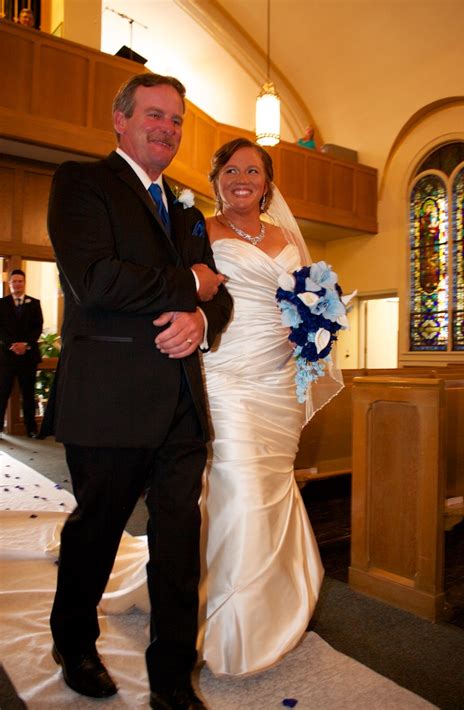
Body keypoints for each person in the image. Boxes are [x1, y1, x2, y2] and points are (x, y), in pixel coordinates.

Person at [41, 72, 232, 710]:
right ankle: (73, 642)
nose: (167, 128)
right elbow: (95, 280)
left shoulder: (188, 211)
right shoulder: (81, 183)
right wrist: (190, 287)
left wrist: (203, 319)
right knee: (96, 533)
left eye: (176, 120)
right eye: (154, 114)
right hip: (110, 401)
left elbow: (220, 295)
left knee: (178, 547)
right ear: (120, 120)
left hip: (181, 404)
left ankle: (172, 681)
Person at [199, 137, 342, 675]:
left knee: (273, 481)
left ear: (267, 183)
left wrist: (314, 330)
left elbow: (310, 301)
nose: (242, 179)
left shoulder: (286, 237)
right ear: (216, 180)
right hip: (226, 373)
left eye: (252, 171)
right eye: (231, 171)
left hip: (279, 381)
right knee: (241, 482)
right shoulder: (199, 231)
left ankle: (273, 599)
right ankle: (235, 617)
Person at [0, 268, 43, 438]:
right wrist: (12, 345)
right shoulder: (1, 303)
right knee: (2, 393)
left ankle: (31, 429)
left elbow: (38, 327)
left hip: (28, 357)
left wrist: (25, 345)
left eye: (20, 281)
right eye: (14, 281)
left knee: (28, 394)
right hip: (6, 357)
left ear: (24, 283)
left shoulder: (35, 303)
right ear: (9, 284)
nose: (17, 284)